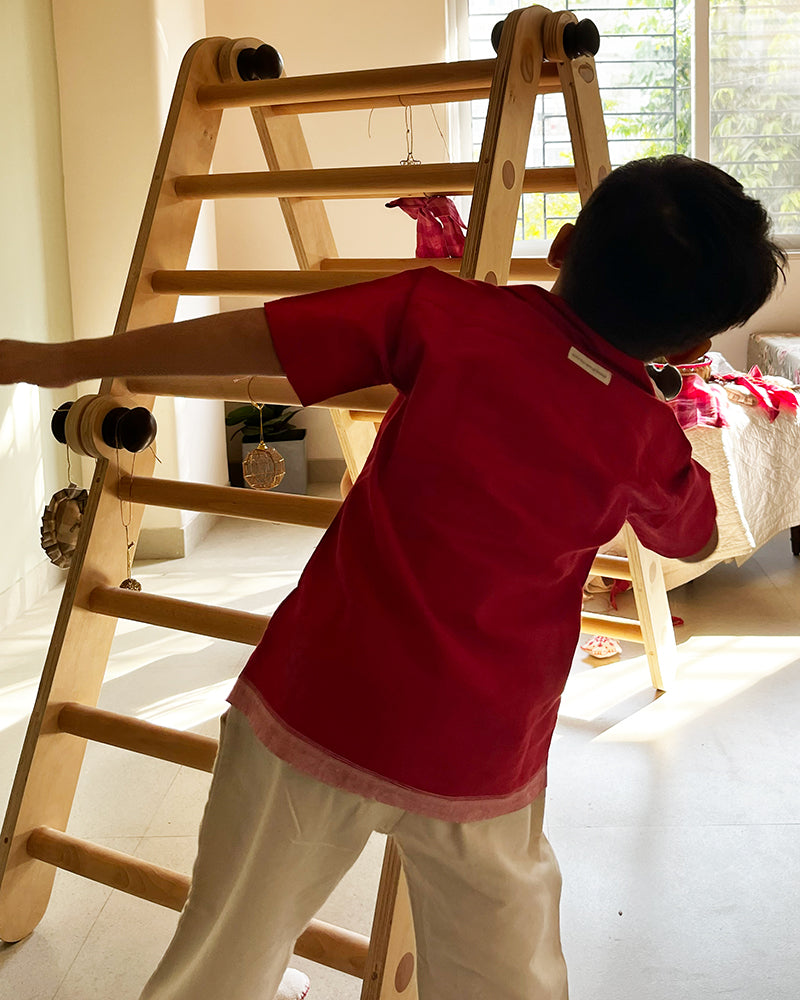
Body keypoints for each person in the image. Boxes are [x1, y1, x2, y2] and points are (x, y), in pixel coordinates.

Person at [0, 155, 786, 999]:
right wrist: (659, 404)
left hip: (312, 710)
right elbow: (696, 533)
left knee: (222, 951)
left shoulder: (441, 314)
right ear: (696, 344)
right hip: (478, 760)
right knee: (505, 977)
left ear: (561, 246)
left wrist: (60, 357)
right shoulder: (644, 437)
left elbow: (253, 335)